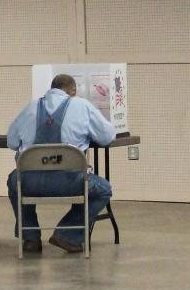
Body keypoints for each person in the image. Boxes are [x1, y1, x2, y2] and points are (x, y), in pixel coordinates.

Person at [7, 74, 116, 254]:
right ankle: (67, 234)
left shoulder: (31, 106)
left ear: (51, 88)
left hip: (30, 184)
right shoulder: (82, 106)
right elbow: (107, 137)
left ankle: (30, 238)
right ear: (73, 91)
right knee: (103, 189)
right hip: (70, 183)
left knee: (14, 183)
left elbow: (11, 142)